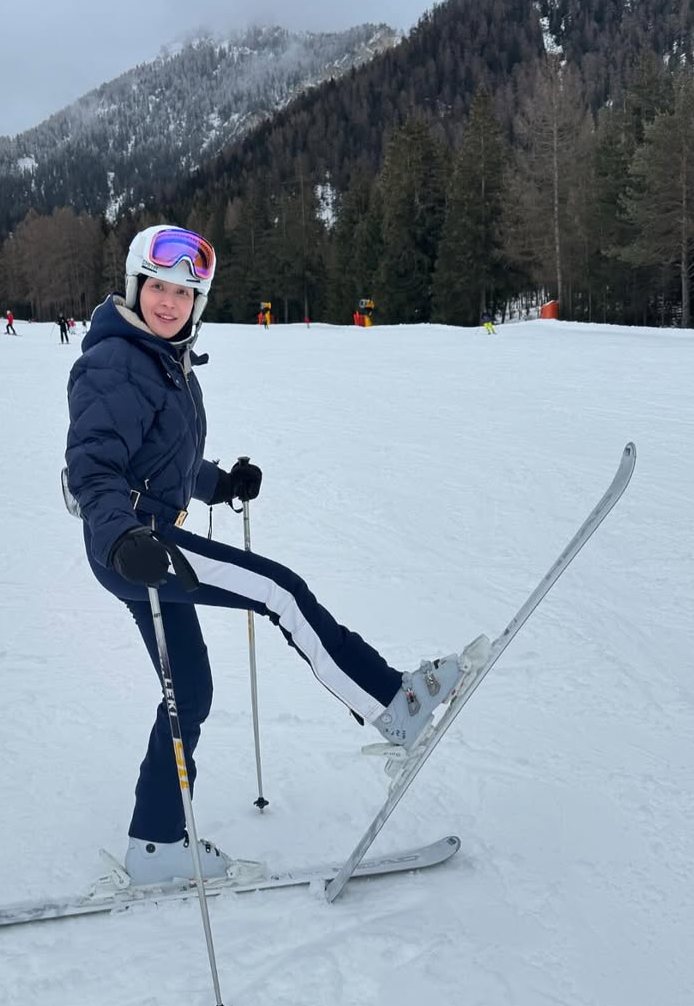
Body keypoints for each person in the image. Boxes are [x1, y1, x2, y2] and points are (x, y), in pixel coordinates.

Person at [65, 224, 484, 887]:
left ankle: (156, 843)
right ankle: (397, 707)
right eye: (158, 288)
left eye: (184, 291)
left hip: (141, 538)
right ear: (134, 286)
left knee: (190, 691)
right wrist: (121, 538)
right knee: (279, 590)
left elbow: (161, 460)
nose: (169, 302)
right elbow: (95, 471)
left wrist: (217, 483)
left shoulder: (162, 360)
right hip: (135, 545)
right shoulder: (114, 363)